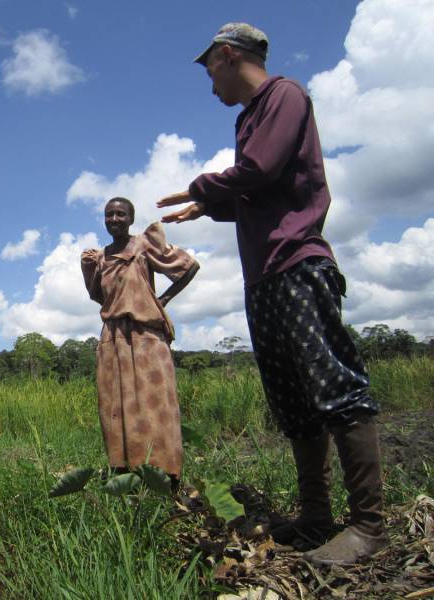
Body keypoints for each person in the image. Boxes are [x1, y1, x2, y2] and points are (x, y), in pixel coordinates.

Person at [156, 23, 388, 565]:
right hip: (263, 277)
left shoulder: (284, 96)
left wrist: (202, 187)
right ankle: (314, 516)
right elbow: (260, 190)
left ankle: (369, 526)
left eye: (209, 67)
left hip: (297, 265)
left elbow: (259, 169)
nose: (209, 81)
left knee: (334, 388)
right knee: (293, 401)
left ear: (228, 54)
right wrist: (210, 206)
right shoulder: (247, 119)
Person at [81, 197, 199, 486]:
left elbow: (189, 267)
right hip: (112, 336)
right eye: (109, 214)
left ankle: (167, 476)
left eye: (121, 214)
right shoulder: (99, 258)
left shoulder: (145, 244)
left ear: (131, 219)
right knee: (116, 405)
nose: (114, 219)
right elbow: (101, 295)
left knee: (156, 402)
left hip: (147, 334)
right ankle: (126, 473)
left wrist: (163, 299)